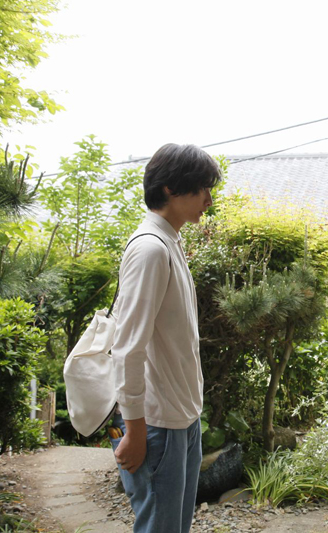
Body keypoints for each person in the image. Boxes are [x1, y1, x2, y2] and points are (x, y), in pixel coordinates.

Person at [110, 143, 220, 533]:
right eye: (202, 188)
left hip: (181, 418)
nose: (209, 200)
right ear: (171, 188)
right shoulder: (150, 249)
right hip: (158, 424)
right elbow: (128, 347)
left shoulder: (169, 242)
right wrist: (135, 430)